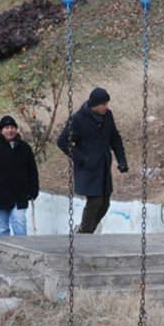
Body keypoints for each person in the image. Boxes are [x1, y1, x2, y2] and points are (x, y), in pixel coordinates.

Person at [57, 87, 128, 234]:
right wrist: (81, 158)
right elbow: (63, 141)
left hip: (103, 167)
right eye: (104, 104)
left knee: (105, 204)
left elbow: (115, 138)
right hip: (88, 169)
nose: (106, 107)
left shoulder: (108, 116)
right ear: (94, 104)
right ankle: (85, 234)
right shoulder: (78, 119)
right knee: (95, 202)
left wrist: (121, 160)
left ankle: (86, 232)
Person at [0, 115, 39, 236]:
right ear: (1, 130)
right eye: (6, 128)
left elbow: (32, 171)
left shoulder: (25, 148)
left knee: (19, 224)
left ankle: (23, 253)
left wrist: (33, 190)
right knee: (2, 228)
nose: (10, 130)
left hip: (20, 196)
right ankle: (3, 253)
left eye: (12, 127)